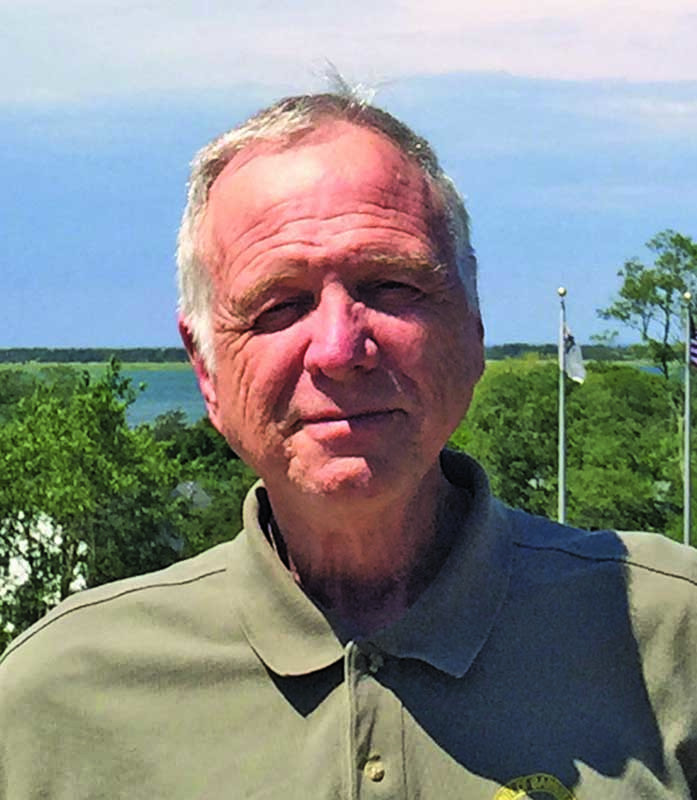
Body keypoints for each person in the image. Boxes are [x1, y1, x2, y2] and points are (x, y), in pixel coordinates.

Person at [1, 91, 697, 800]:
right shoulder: (57, 699)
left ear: (472, 327)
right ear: (205, 368)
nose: (338, 349)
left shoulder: (673, 638)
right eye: (280, 305)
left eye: (389, 285)